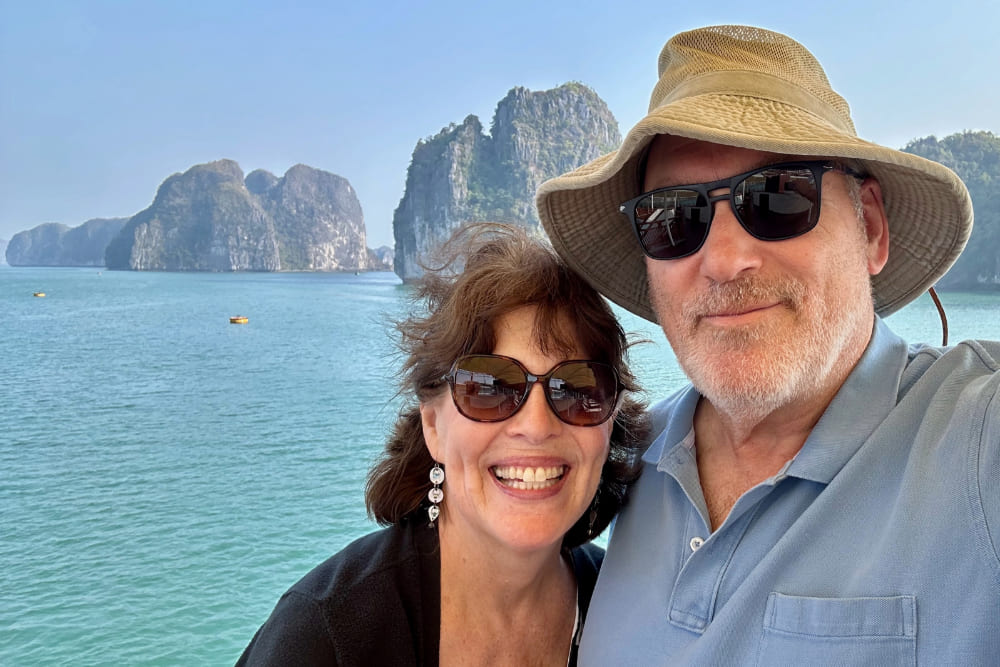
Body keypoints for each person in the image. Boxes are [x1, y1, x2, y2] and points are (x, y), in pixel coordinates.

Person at [536, 24, 999, 665]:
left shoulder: (975, 434)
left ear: (869, 226)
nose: (724, 261)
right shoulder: (626, 458)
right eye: (674, 217)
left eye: (779, 198)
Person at [235, 223, 646, 666]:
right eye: (489, 387)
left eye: (578, 388)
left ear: (609, 423)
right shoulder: (326, 635)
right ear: (432, 426)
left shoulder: (626, 611)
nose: (536, 424)